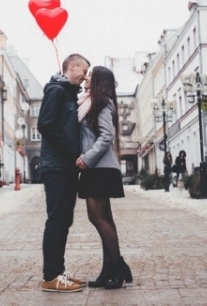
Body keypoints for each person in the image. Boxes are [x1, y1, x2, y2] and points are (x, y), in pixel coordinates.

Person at [76, 66, 132, 290]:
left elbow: (107, 135)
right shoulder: (88, 102)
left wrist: (87, 158)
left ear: (99, 80)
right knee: (102, 218)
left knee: (99, 218)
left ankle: (117, 267)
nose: (85, 77)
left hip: (100, 167)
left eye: (90, 74)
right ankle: (110, 268)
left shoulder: (102, 102)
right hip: (96, 168)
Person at [37, 53, 91, 293]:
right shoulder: (56, 91)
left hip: (65, 166)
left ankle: (58, 271)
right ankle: (51, 277)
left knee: (64, 220)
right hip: (56, 166)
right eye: (84, 71)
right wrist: (73, 151)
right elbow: (45, 124)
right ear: (72, 66)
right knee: (57, 220)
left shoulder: (68, 93)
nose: (85, 77)